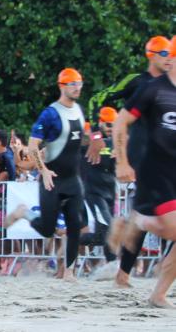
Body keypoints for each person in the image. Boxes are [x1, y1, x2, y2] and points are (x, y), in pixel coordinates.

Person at [108, 38, 176, 308]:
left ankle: (158, 294)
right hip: (153, 170)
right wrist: (122, 162)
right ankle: (136, 223)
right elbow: (120, 122)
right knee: (166, 225)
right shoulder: (151, 89)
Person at [7, 68, 89, 282]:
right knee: (47, 229)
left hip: (73, 180)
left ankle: (69, 272)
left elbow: (82, 140)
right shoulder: (50, 113)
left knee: (74, 227)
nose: (77, 87)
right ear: (62, 86)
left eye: (79, 83)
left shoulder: (80, 110)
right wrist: (43, 170)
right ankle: (24, 212)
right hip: (52, 179)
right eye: (73, 84)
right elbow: (33, 145)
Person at [77, 106, 119, 271]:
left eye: (113, 125)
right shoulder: (90, 137)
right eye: (108, 125)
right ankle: (112, 265)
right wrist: (94, 135)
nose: (111, 129)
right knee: (110, 228)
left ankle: (75, 240)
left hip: (110, 191)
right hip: (94, 192)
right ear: (100, 123)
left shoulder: (117, 141)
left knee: (105, 234)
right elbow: (81, 140)